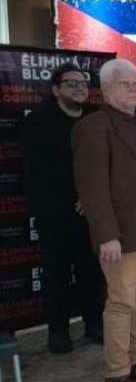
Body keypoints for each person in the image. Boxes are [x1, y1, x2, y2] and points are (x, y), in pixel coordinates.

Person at [73, 59, 136, 382]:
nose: (132, 90)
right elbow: (92, 187)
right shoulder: (94, 127)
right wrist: (107, 235)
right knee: (121, 301)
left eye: (135, 84)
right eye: (124, 84)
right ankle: (118, 372)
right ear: (105, 89)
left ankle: (135, 360)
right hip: (122, 232)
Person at [19, 63, 104, 354]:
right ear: (55, 90)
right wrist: (71, 200)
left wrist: (89, 198)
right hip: (55, 212)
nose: (79, 88)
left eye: (83, 83)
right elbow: (35, 172)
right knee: (57, 274)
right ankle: (58, 331)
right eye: (71, 83)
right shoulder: (38, 121)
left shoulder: (95, 117)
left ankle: (94, 323)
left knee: (92, 271)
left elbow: (103, 164)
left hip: (91, 211)